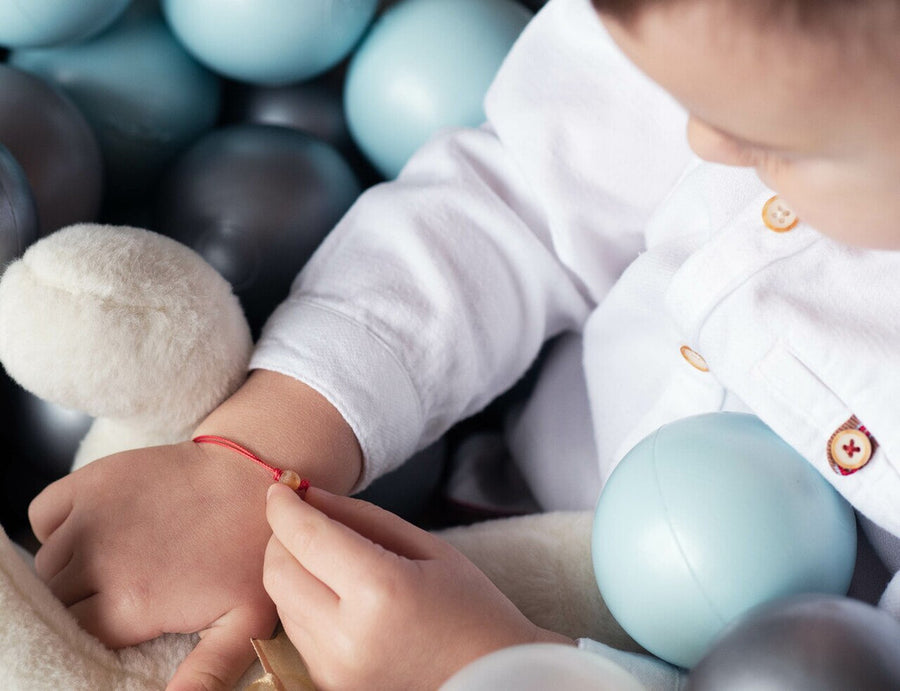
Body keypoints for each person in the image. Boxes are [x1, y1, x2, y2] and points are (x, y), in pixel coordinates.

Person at [27, 0, 900, 688]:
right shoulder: (732, 47)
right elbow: (511, 202)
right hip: (485, 476)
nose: (703, 141)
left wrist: (488, 664)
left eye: (789, 144)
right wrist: (262, 449)